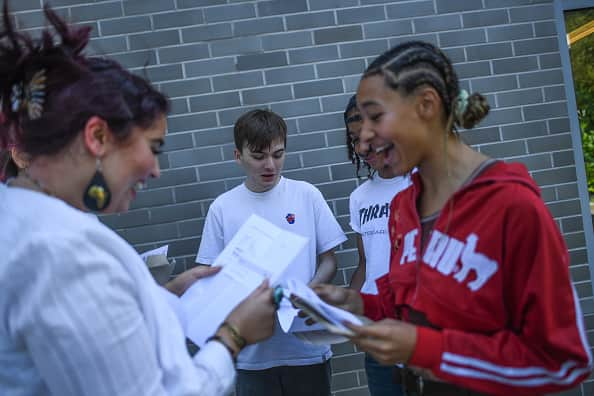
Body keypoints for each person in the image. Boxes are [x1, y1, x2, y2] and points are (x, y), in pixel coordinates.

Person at [0, 4, 276, 396]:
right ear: (97, 137)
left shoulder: (24, 218)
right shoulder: (62, 253)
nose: (155, 170)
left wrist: (168, 292)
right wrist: (233, 336)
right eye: (154, 146)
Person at [311, 41, 592, 395]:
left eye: (376, 117)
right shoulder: (403, 207)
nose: (364, 139)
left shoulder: (512, 205)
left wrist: (427, 350)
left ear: (426, 105)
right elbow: (408, 305)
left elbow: (561, 360)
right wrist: (358, 303)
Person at [196, 109, 347, 396]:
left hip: (305, 346)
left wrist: (307, 293)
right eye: (259, 156)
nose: (270, 165)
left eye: (278, 154)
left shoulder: (306, 195)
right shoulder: (223, 208)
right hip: (251, 354)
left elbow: (329, 260)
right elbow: (209, 277)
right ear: (237, 156)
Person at [344, 94, 408, 396]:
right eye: (355, 140)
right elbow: (366, 264)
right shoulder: (360, 198)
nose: (361, 148)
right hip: (377, 334)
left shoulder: (424, 183)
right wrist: (346, 310)